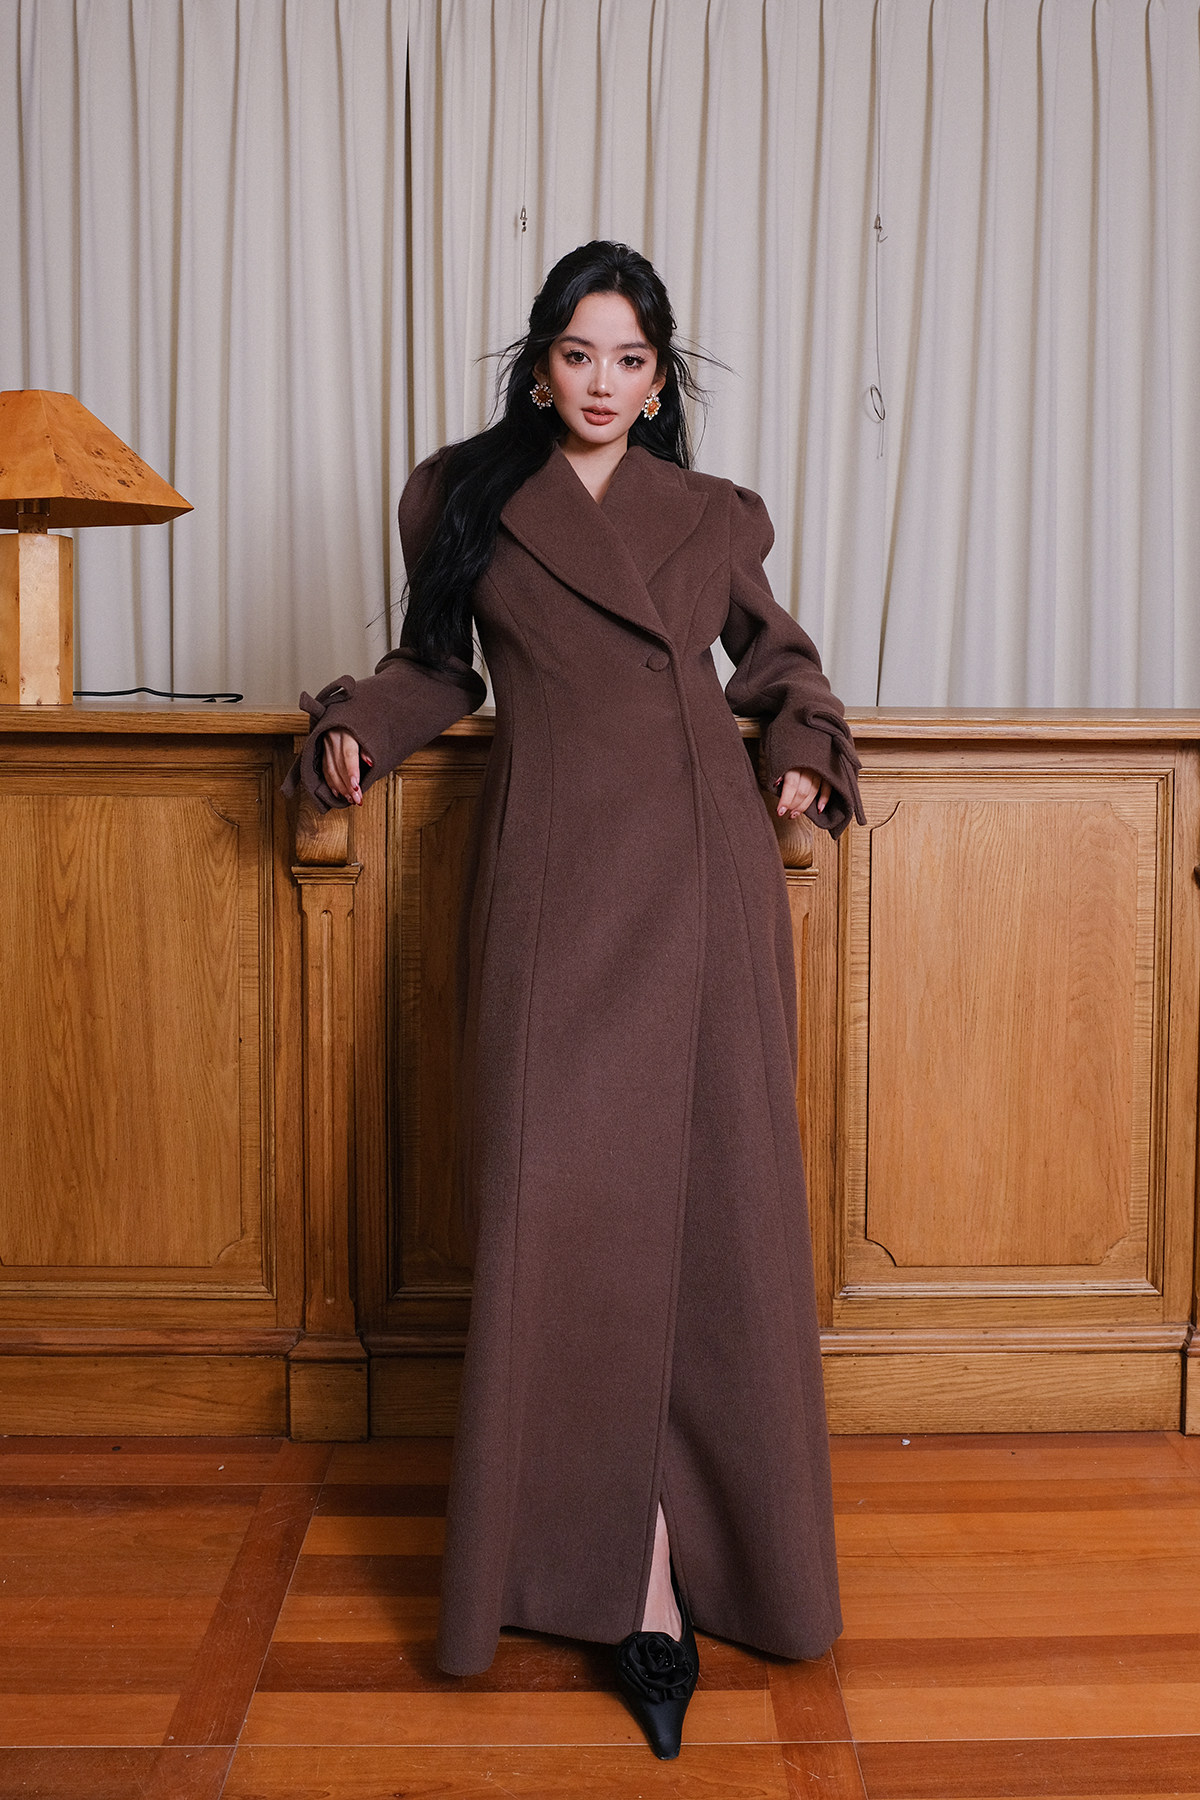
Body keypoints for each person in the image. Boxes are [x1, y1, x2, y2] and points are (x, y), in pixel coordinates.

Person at [284, 240, 864, 1760]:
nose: (603, 383)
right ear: (540, 366)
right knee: (566, 1215)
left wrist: (804, 748)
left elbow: (781, 660)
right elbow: (437, 668)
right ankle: (585, 1562)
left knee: (714, 1219)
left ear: (659, 381)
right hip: (557, 886)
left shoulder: (711, 515)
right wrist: (359, 731)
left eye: (630, 360)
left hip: (703, 875)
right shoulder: (463, 498)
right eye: (578, 354)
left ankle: (666, 1576)